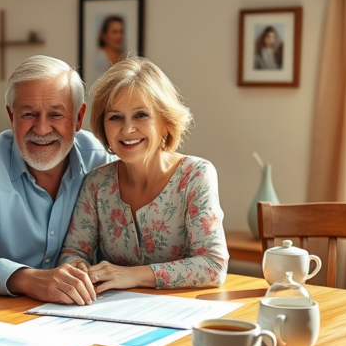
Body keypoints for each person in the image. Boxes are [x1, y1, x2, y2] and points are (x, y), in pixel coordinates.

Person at [0, 55, 115, 305]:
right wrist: (29, 279)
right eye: (29, 114)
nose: (41, 129)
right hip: (5, 314)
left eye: (56, 115)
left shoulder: (101, 161)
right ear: (11, 116)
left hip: (86, 311)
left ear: (78, 117)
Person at [59, 55, 228, 291]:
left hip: (185, 312)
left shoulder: (195, 176)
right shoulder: (96, 184)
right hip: (111, 315)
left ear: (165, 122)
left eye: (141, 115)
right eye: (115, 117)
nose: (127, 129)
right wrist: (77, 273)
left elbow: (213, 266)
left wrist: (133, 276)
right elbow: (73, 253)